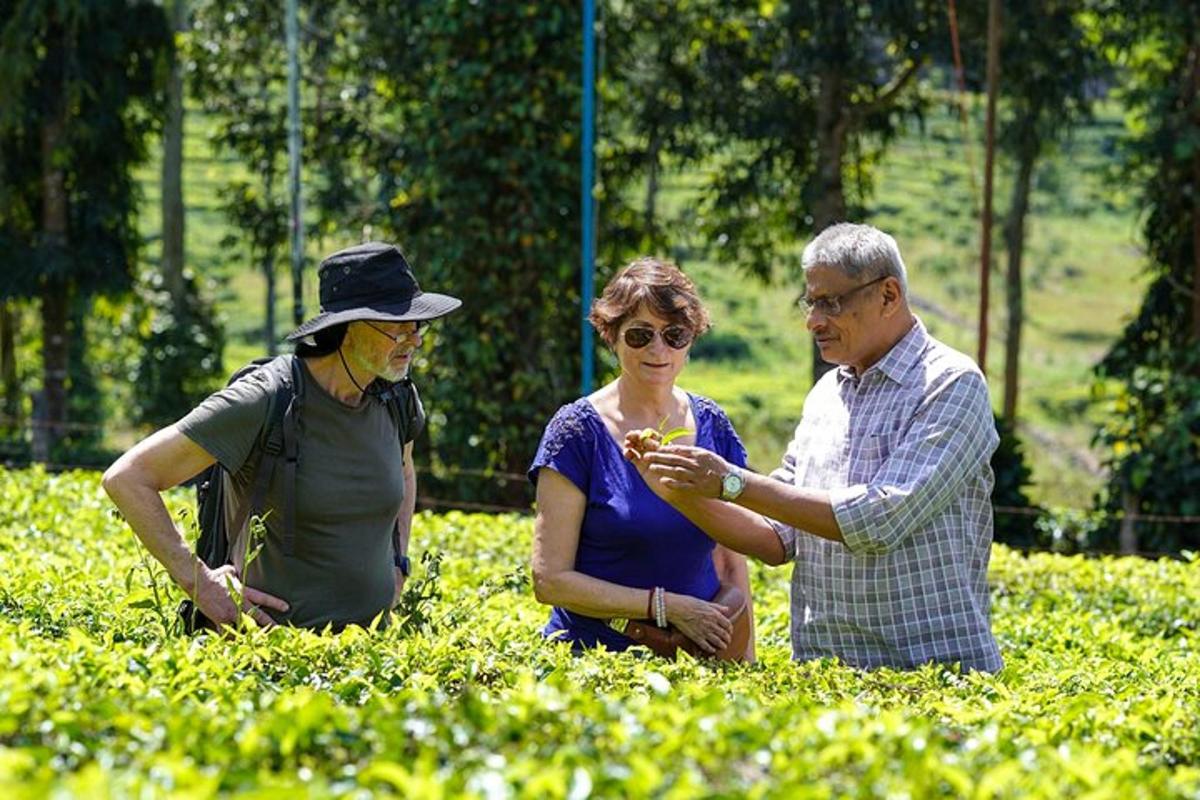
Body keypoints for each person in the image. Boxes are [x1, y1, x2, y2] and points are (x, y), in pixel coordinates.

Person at [629, 223, 1003, 672]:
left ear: (888, 295)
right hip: (826, 673)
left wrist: (728, 480)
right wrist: (677, 491)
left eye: (831, 302)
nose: (813, 321)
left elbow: (880, 519)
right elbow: (775, 538)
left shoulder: (950, 384)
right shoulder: (828, 392)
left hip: (933, 672)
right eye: (811, 303)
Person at [103, 242, 461, 631]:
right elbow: (128, 478)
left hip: (372, 658)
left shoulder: (396, 398)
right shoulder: (266, 398)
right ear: (349, 327)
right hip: (271, 660)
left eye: (417, 325)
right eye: (398, 326)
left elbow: (404, 470)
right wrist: (199, 582)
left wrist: (399, 560)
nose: (416, 339)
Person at [528, 257, 755, 659]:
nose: (658, 349)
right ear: (610, 335)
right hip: (596, 662)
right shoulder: (576, 432)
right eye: (639, 335)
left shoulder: (713, 425)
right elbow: (550, 580)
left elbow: (734, 571)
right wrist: (666, 607)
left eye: (675, 335)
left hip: (698, 665)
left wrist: (738, 659)